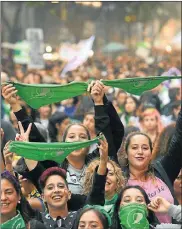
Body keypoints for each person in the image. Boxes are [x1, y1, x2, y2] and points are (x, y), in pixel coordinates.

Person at [2, 82, 124, 195]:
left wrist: (99, 101)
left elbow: (106, 138)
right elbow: (35, 137)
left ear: (89, 144)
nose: (77, 139)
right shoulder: (55, 167)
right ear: (63, 142)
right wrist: (15, 104)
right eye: (71, 136)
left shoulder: (98, 161)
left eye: (82, 137)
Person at [117, 103, 182, 223]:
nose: (140, 152)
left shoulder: (162, 170)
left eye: (145, 148)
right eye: (135, 147)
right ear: (126, 153)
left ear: (151, 152)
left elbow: (178, 140)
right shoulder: (119, 180)